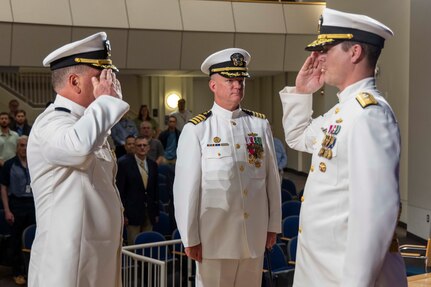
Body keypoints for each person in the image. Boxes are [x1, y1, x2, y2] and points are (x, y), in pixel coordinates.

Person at [279, 8, 407, 287]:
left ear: (355, 52)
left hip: (343, 277)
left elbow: (374, 217)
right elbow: (298, 137)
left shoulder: (369, 115)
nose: (318, 57)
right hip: (321, 272)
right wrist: (302, 93)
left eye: (327, 48)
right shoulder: (344, 111)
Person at [27, 32, 129, 287]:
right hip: (66, 266)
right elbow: (79, 148)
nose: (110, 82)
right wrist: (106, 103)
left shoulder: (89, 124)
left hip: (97, 260)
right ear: (75, 81)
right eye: (101, 76)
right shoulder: (51, 122)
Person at [174, 48, 281, 287]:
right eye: (230, 80)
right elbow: (186, 190)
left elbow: (271, 179)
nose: (237, 85)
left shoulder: (259, 124)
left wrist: (273, 225)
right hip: (214, 239)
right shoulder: (198, 129)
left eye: (241, 80)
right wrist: (190, 238)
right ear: (213, 85)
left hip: (253, 236)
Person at [0, 136, 35, 285]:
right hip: (16, 205)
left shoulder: (36, 163)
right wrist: (7, 210)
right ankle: (17, 271)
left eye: (27, 145)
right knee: (15, 240)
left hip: (32, 204)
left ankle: (31, 271)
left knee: (33, 239)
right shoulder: (9, 164)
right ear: (17, 147)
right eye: (21, 145)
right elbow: (3, 188)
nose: (24, 148)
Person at [116, 136, 159, 245]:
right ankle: (134, 263)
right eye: (139, 145)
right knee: (133, 244)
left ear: (148, 148)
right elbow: (120, 191)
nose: (142, 148)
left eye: (144, 145)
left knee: (147, 245)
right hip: (132, 213)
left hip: (149, 211)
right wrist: (123, 213)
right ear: (134, 148)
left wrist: (156, 212)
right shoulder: (124, 164)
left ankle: (145, 263)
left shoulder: (153, 164)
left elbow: (155, 190)